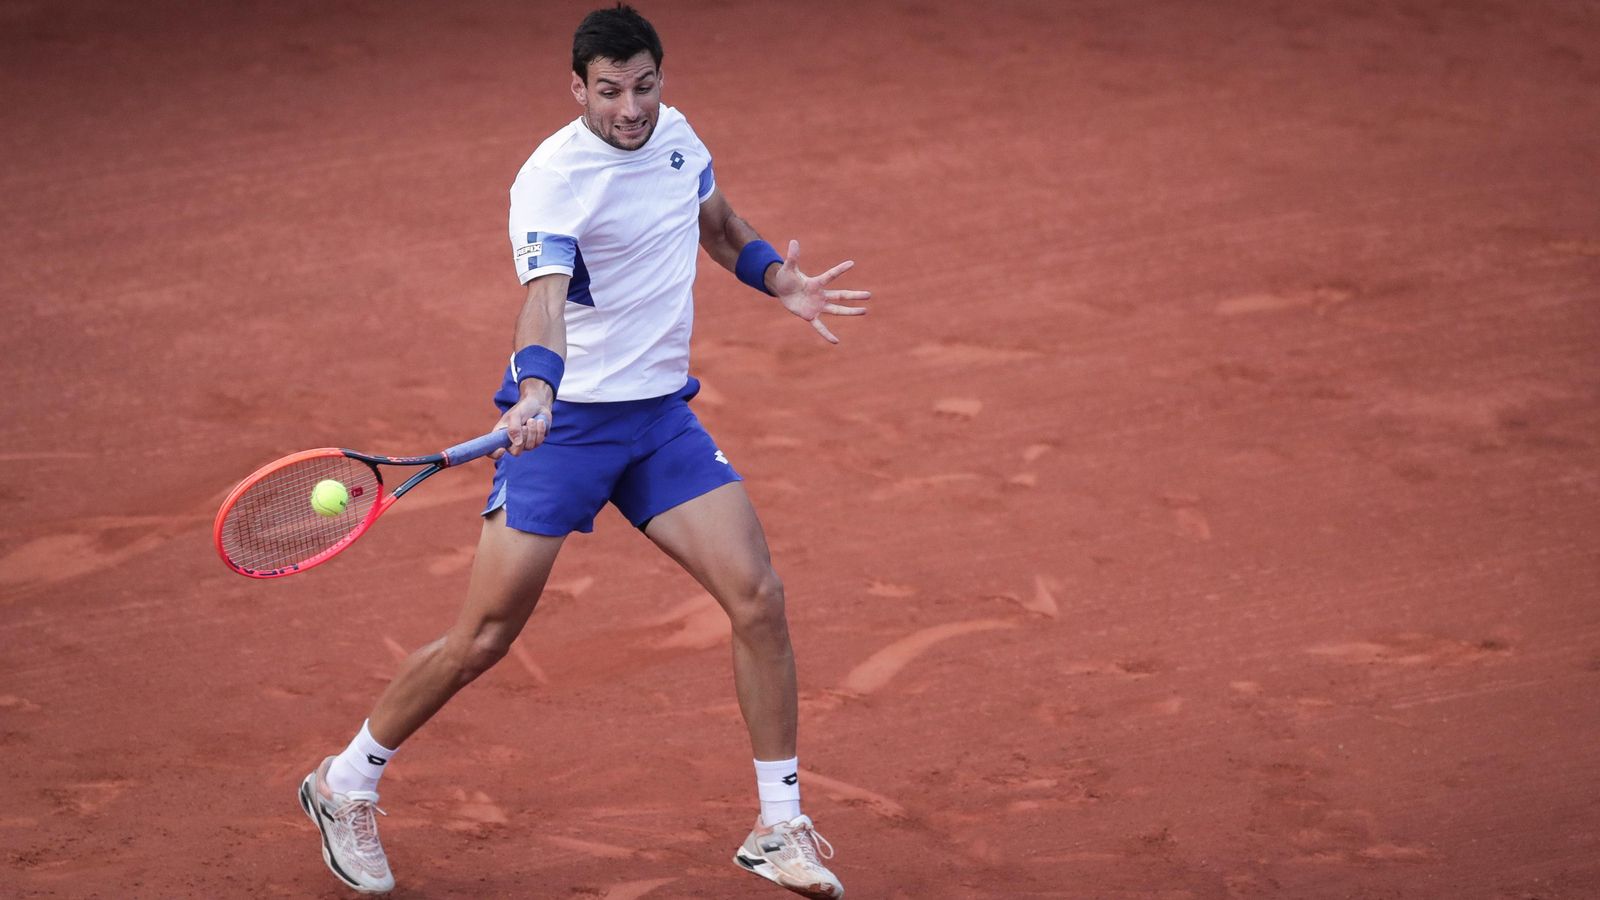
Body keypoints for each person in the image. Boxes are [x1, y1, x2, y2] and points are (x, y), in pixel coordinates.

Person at [295, 5, 868, 898]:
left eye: (644, 85)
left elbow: (714, 224)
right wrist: (535, 388)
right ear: (578, 89)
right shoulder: (552, 178)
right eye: (610, 92)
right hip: (564, 427)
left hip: (658, 424)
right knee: (484, 636)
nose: (631, 108)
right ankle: (346, 780)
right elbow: (546, 297)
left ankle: (778, 825)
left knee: (758, 596)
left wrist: (778, 278)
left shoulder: (677, 137)